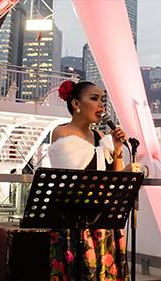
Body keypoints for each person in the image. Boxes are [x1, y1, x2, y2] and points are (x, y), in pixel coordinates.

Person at [47, 80, 128, 281]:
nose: (101, 105)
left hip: (100, 219)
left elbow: (114, 180)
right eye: (94, 98)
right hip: (73, 221)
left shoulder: (100, 136)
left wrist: (117, 149)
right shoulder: (61, 132)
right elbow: (71, 177)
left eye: (102, 99)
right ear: (76, 104)